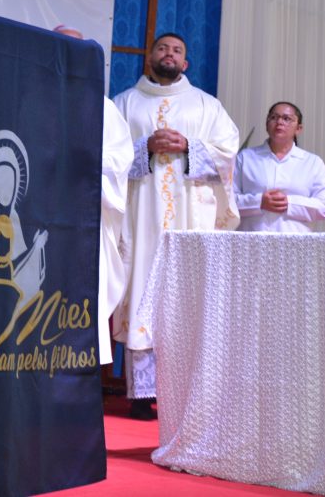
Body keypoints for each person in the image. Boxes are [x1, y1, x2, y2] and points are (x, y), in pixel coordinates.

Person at [112, 32, 240, 419]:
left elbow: (228, 153)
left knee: (186, 297)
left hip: (190, 216)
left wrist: (189, 146)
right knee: (141, 288)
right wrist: (144, 148)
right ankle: (141, 395)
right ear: (150, 57)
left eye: (177, 50)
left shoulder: (206, 105)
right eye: (162, 48)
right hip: (141, 215)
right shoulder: (124, 103)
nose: (169, 54)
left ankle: (184, 394)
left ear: (185, 63)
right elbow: (107, 154)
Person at [53, 25, 134, 366]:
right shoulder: (29, 96)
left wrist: (84, 158)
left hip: (84, 212)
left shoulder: (103, 108)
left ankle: (77, 374)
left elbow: (121, 158)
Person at [234, 101, 325, 232]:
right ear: (266, 125)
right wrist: (258, 202)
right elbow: (226, 202)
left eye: (287, 118)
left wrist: (290, 203)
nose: (279, 122)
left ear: (298, 129)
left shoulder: (312, 162)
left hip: (296, 241)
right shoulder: (245, 158)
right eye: (274, 117)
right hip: (251, 240)